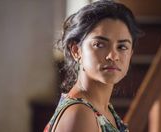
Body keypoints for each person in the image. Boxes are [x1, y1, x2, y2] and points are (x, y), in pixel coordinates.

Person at [44, 0, 142, 132]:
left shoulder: (103, 109)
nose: (113, 56)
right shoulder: (80, 114)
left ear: (131, 53)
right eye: (100, 44)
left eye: (122, 47)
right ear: (76, 50)